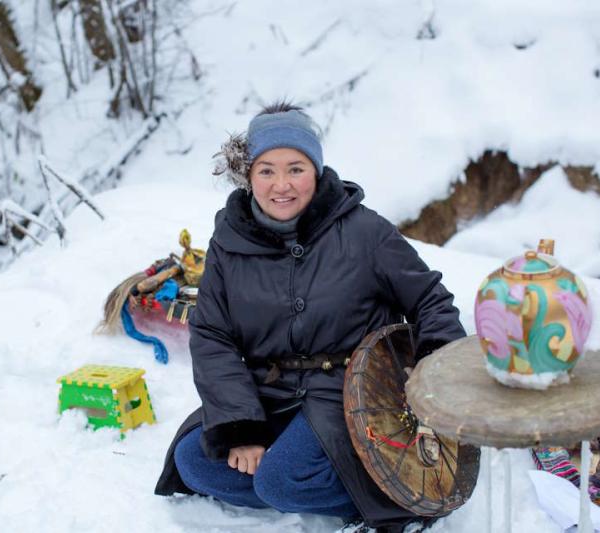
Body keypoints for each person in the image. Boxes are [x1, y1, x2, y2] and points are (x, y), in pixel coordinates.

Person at [154, 102, 466, 532]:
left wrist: (434, 368)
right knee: (196, 463)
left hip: (351, 391)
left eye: (295, 168)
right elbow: (212, 335)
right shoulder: (229, 242)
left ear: (316, 170)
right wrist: (240, 424)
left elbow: (430, 298)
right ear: (249, 175)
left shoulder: (363, 231)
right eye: (266, 170)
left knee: (281, 480)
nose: (281, 185)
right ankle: (336, 485)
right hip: (273, 390)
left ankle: (402, 504)